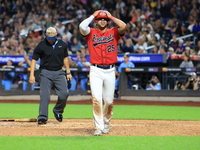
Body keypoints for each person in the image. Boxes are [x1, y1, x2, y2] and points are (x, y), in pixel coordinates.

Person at [79, 10, 126, 136]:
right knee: (96, 99)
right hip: (95, 70)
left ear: (108, 21)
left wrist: (110, 16)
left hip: (110, 70)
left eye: (104, 19)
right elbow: (82, 26)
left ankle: (106, 123)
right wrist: (93, 15)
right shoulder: (91, 32)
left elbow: (123, 26)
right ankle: (98, 127)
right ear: (96, 21)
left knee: (109, 101)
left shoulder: (114, 32)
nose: (102, 21)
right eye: (100, 19)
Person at [29, 27, 72, 125]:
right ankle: (43, 117)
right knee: (45, 95)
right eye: (49, 38)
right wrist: (31, 75)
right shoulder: (41, 45)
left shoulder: (62, 44)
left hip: (59, 72)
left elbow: (65, 58)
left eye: (53, 38)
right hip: (45, 72)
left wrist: (68, 72)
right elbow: (34, 60)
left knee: (64, 94)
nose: (51, 40)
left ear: (56, 35)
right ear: (45, 36)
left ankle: (57, 111)